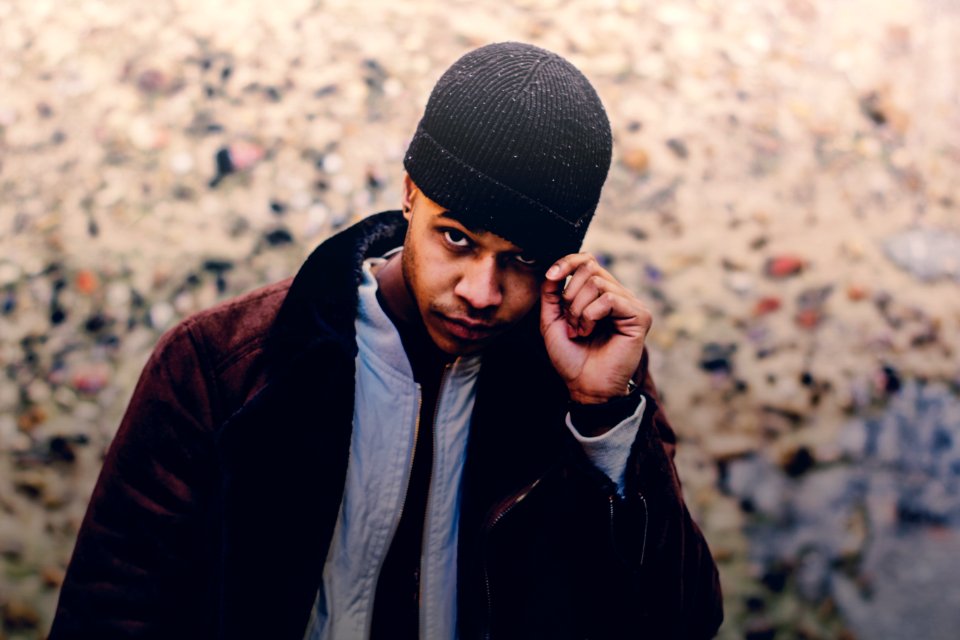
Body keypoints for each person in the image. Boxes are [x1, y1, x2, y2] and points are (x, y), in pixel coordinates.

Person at [50, 42, 722, 639]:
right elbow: (113, 612)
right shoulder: (224, 364)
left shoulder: (589, 384)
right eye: (456, 238)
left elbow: (680, 620)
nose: (482, 292)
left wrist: (603, 416)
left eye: (520, 260)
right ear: (410, 195)